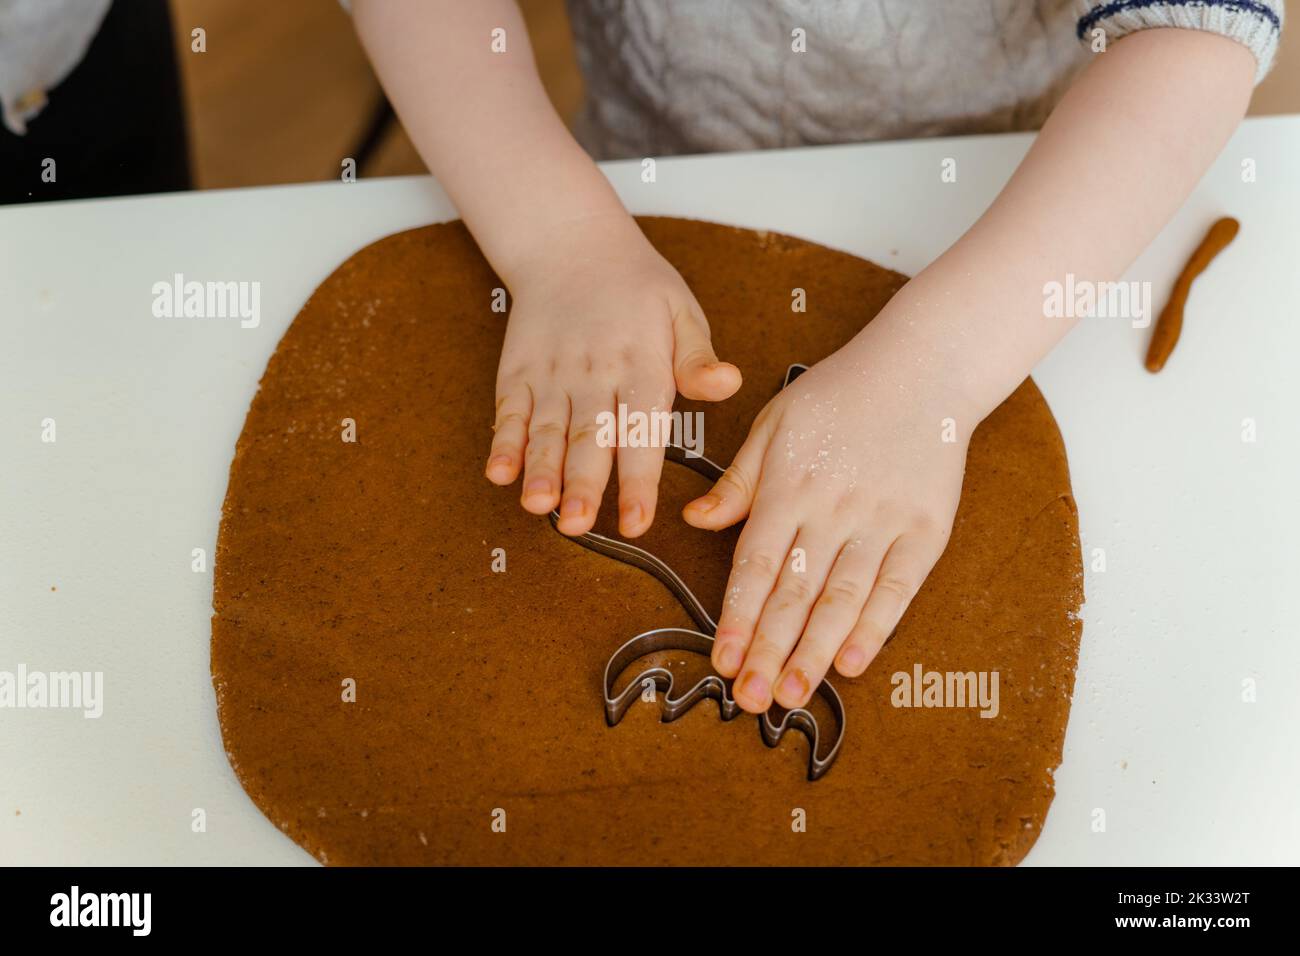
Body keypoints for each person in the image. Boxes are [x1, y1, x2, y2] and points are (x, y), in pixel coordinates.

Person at [350, 0, 1282, 714]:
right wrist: (559, 240)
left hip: (1025, 211)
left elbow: (1195, 33)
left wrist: (939, 369)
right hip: (633, 177)